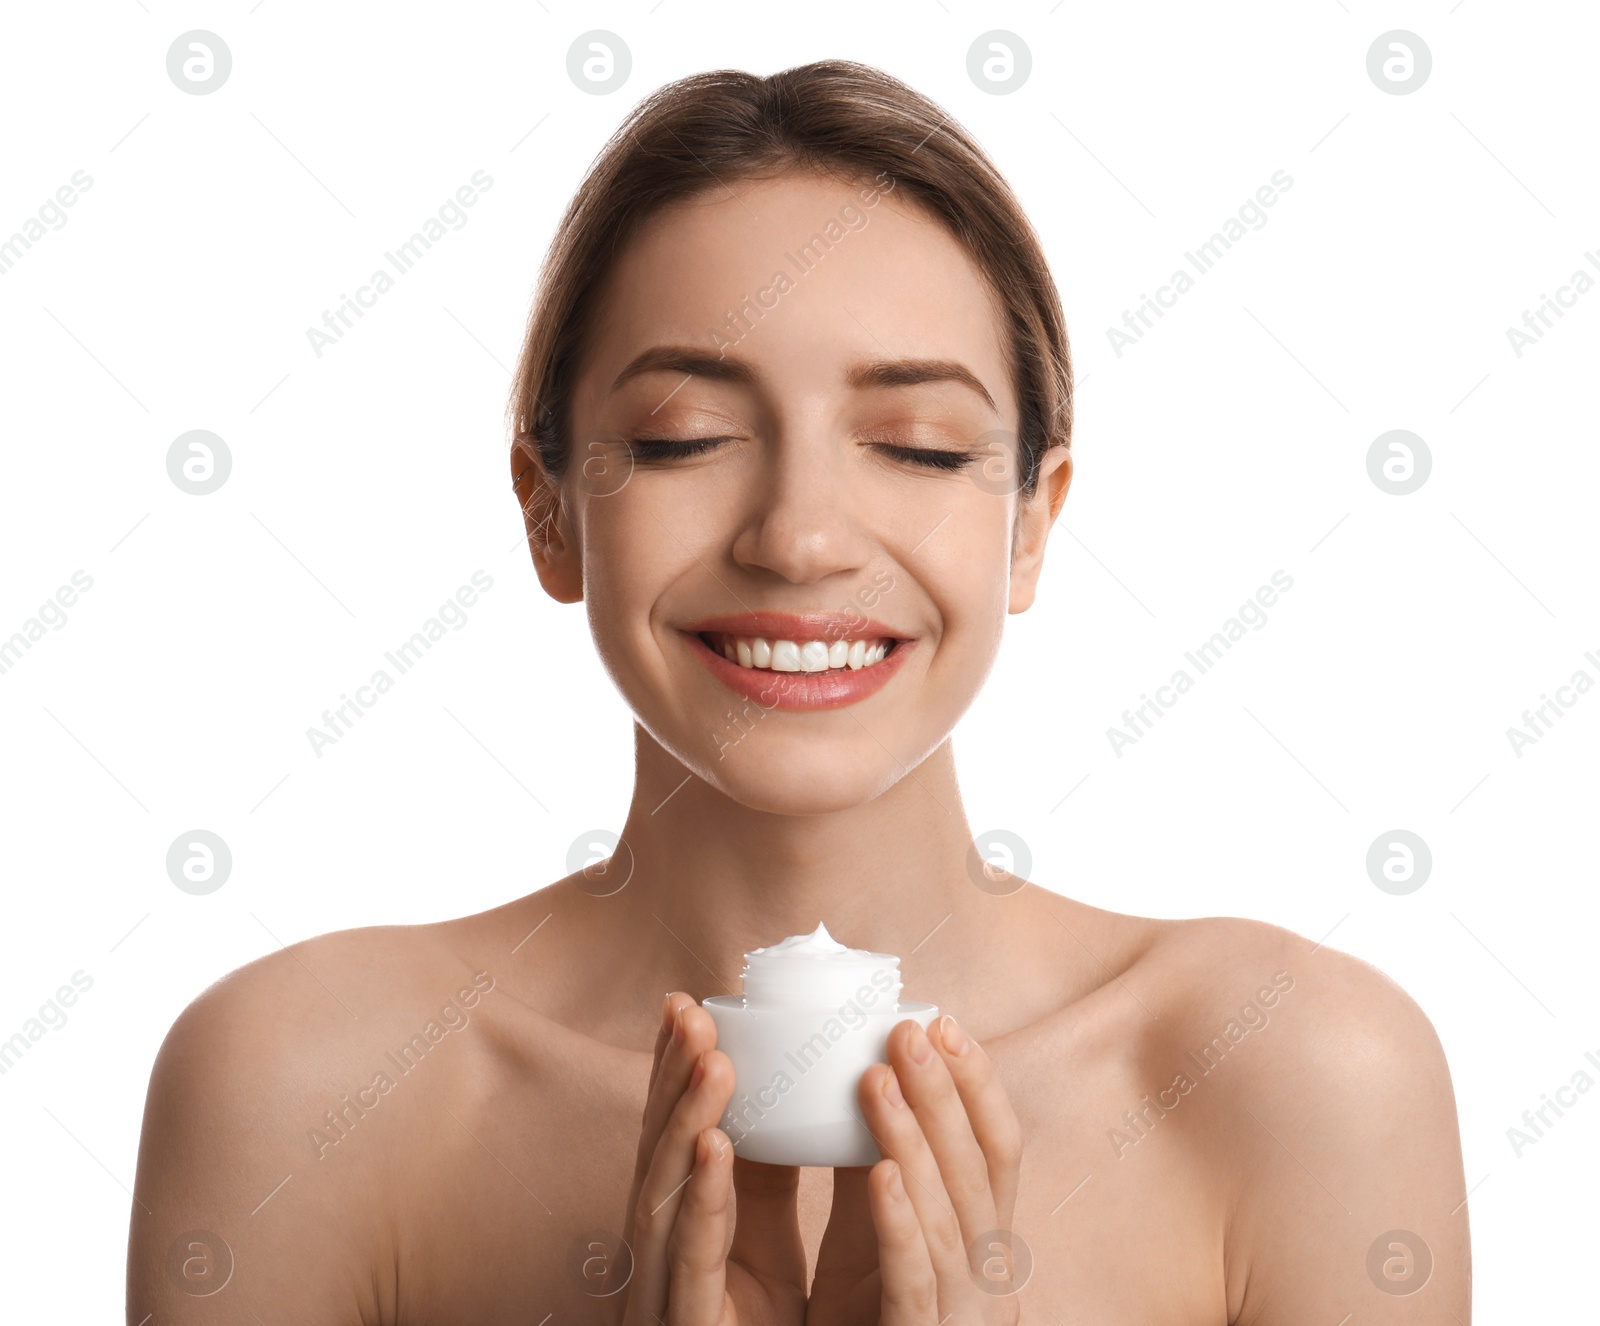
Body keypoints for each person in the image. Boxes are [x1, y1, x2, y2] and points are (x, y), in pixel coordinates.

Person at [127, 59, 1470, 1323]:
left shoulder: (1298, 1078)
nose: (802, 534)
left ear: (1030, 525)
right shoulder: (300, 1090)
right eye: (685, 438)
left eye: (919, 445)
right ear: (548, 510)